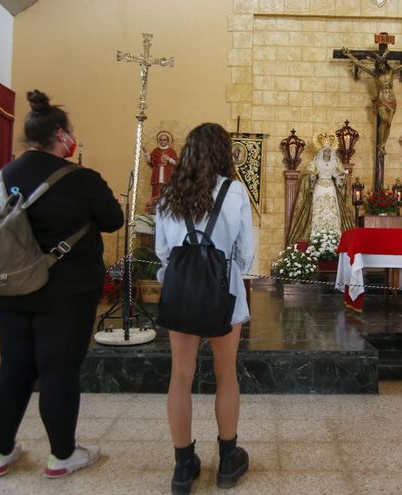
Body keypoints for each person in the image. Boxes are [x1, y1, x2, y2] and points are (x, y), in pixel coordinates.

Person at [0, 90, 124, 479]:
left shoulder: (2, 178)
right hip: (66, 291)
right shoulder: (80, 179)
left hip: (10, 287)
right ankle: (62, 455)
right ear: (61, 135)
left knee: (13, 366)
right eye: (70, 133)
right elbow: (113, 220)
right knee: (58, 368)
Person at [155, 123, 254, 494]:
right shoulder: (235, 192)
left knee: (180, 376)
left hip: (181, 291)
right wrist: (222, 268)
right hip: (223, 293)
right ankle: (228, 461)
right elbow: (246, 254)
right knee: (226, 374)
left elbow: (162, 252)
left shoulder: (169, 193)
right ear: (224, 153)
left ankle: (183, 467)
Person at [286, 145, 356, 246]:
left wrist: (339, 177)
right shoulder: (315, 162)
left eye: (329, 150)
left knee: (332, 208)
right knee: (318, 208)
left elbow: (341, 177)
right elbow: (307, 175)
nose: (327, 152)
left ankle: (334, 234)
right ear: (322, 151)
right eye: (325, 150)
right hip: (319, 188)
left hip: (331, 188)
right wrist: (312, 176)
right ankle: (316, 233)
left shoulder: (336, 163)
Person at [142, 130, 179, 201]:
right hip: (157, 175)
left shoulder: (171, 151)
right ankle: (155, 205)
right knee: (156, 192)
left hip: (168, 175)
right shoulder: (156, 151)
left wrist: (169, 159)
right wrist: (146, 154)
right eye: (161, 140)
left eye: (164, 140)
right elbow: (151, 162)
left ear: (168, 141)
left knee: (167, 192)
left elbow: (176, 163)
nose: (162, 141)